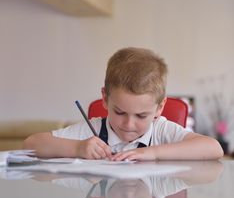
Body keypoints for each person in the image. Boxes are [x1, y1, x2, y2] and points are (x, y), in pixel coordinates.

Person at [23, 47, 224, 160]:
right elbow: (30, 144)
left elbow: (213, 148)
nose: (128, 124)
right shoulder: (93, 129)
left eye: (141, 116)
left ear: (159, 108)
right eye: (119, 112)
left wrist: (152, 152)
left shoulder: (161, 130)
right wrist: (77, 148)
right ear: (105, 98)